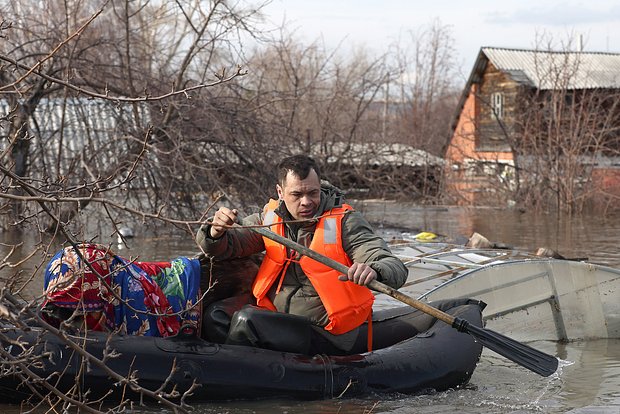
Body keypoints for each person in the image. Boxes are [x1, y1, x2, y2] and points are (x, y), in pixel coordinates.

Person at [195, 155, 408, 355]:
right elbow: (227, 246)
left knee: (247, 320)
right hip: (277, 318)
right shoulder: (267, 219)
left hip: (327, 331)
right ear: (280, 192)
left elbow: (391, 264)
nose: (306, 202)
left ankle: (235, 376)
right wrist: (216, 232)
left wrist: (374, 270)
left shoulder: (345, 221)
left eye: (313, 193)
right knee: (216, 317)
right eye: (297, 195)